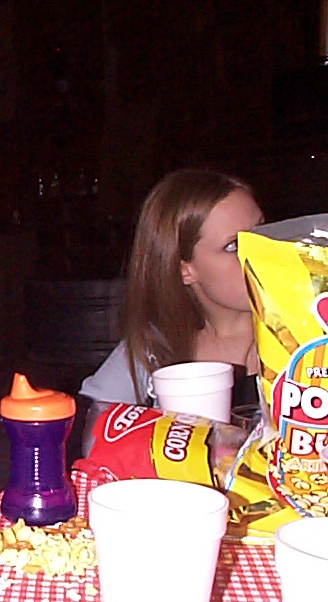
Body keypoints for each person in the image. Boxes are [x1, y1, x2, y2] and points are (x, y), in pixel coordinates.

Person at [78, 169, 264, 421]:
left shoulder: (306, 338)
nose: (263, 252)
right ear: (184, 270)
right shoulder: (155, 349)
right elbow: (90, 421)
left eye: (264, 232)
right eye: (234, 246)